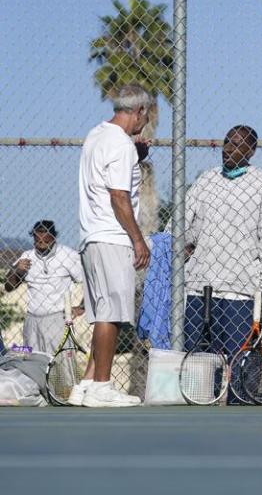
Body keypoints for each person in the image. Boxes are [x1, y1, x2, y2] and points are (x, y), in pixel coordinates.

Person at [75, 83, 153, 407]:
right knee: (111, 314)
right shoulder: (121, 144)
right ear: (138, 112)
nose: (145, 122)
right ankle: (102, 387)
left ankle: (88, 384)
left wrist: (138, 154)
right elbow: (119, 197)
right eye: (145, 115)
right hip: (112, 237)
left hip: (91, 236)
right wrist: (137, 240)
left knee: (103, 314)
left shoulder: (97, 135)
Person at [182, 125, 262, 364]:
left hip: (240, 292)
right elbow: (181, 227)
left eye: (237, 144)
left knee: (239, 367)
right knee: (199, 369)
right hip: (199, 287)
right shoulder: (207, 180)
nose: (227, 149)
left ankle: (239, 399)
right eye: (226, 142)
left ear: (251, 150)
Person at [5, 221, 85, 354]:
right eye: (37, 237)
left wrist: (82, 307)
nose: (41, 240)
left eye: (45, 236)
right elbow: (8, 287)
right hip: (32, 320)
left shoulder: (67, 255)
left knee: (61, 364)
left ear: (53, 237)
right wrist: (16, 271)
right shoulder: (27, 256)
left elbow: (90, 281)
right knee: (34, 363)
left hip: (58, 318)